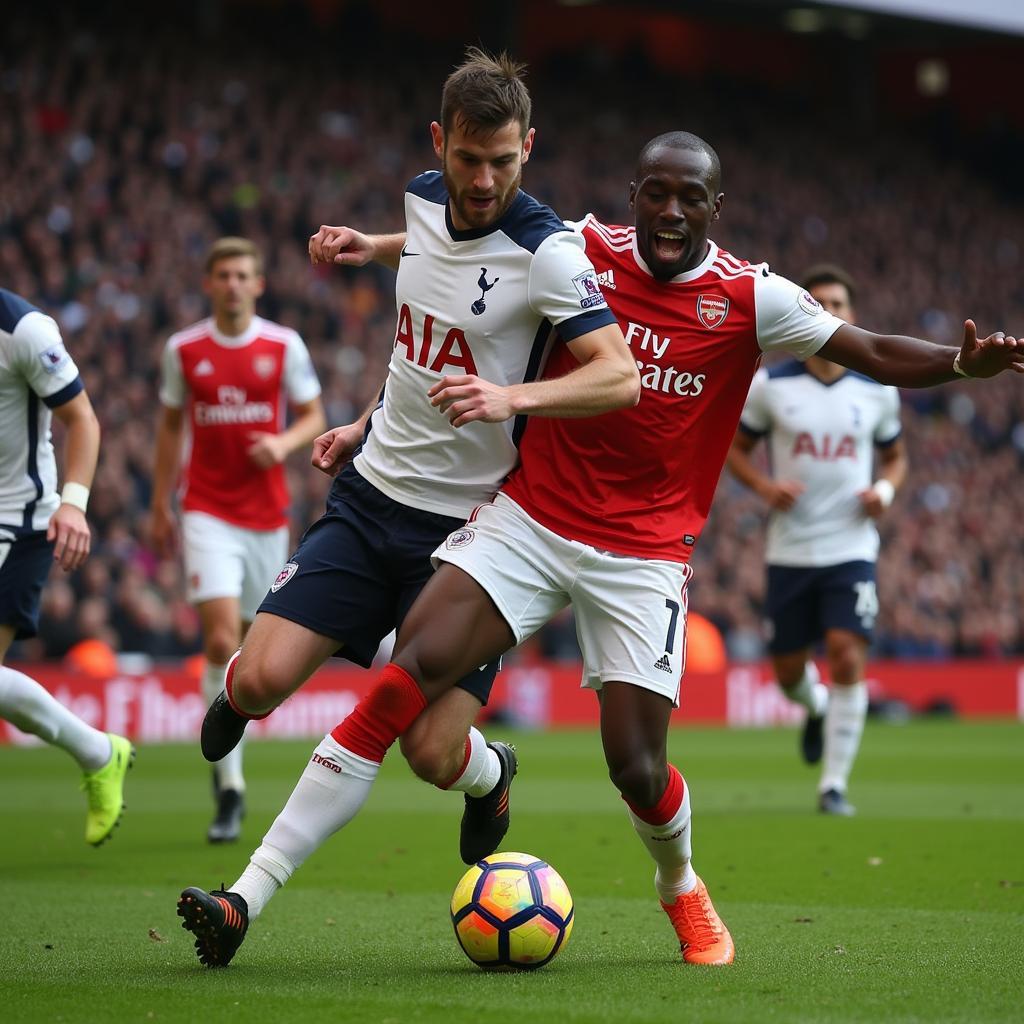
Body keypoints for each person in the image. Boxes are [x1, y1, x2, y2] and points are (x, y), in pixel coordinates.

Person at [183, 129, 1024, 971]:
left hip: (643, 554)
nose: (670, 211)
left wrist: (958, 363)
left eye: (689, 197)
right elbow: (470, 259)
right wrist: (378, 248)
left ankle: (681, 885)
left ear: (714, 209)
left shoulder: (749, 295)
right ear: (633, 197)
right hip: (530, 519)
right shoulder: (581, 249)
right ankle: (247, 896)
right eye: (656, 192)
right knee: (404, 681)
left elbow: (869, 349)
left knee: (634, 763)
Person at [177, 49, 637, 965]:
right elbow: (435, 265)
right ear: (440, 142)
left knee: (429, 754)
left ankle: (488, 772)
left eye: (503, 162)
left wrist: (513, 400)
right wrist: (369, 255)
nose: (483, 180)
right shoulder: (423, 200)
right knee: (259, 681)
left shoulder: (549, 254)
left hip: (469, 540)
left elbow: (619, 376)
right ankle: (238, 711)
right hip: (369, 495)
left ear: (528, 149)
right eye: (469, 158)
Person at [147, 237, 326, 843]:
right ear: (209, 283)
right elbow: (171, 428)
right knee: (220, 636)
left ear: (258, 284)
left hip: (266, 517)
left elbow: (312, 414)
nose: (231, 283)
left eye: (241, 274)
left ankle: (231, 761)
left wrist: (281, 443)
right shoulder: (184, 350)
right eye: (221, 274)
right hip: (205, 511)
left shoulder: (282, 346)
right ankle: (229, 789)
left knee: (250, 651)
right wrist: (159, 504)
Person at [726, 265, 907, 816]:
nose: (829, 309)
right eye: (819, 301)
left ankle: (833, 786)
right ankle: (817, 705)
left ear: (852, 316)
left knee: (848, 653)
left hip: (851, 546)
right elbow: (735, 451)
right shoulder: (772, 387)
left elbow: (896, 457)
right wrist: (763, 485)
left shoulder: (876, 389)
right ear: (805, 310)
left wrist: (883, 490)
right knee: (787, 672)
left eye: (839, 302)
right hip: (790, 549)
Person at [0, 287, 134, 846]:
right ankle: (98, 751)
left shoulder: (24, 329)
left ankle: (98, 751)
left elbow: (82, 421)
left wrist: (73, 502)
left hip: (16, 520)